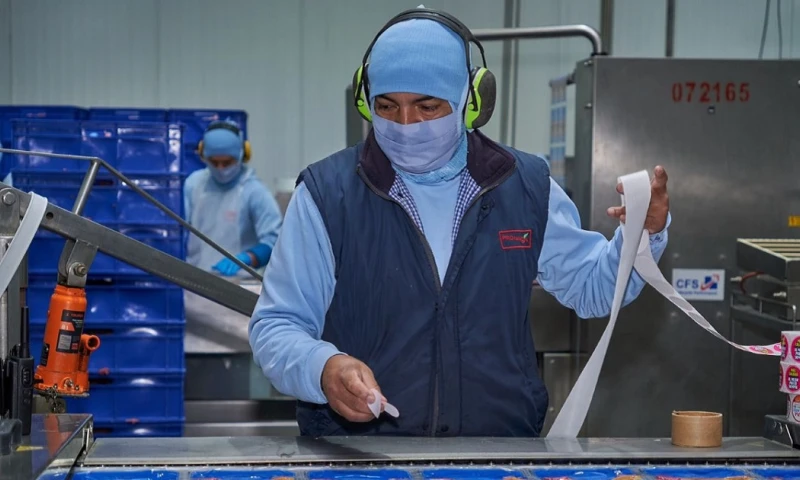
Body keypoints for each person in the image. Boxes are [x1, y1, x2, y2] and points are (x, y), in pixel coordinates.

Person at [249, 7, 671, 437]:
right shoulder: (327, 195)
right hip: (364, 459)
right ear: (365, 100)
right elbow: (276, 326)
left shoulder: (524, 186)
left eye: (427, 106)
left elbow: (594, 288)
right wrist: (322, 368)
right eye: (387, 106)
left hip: (496, 456)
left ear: (470, 102)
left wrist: (641, 234)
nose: (406, 124)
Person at [184, 119, 282, 276]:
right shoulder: (194, 185)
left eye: (227, 162)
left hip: (239, 287)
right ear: (203, 155)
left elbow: (275, 241)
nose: (221, 169)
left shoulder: (255, 192)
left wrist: (246, 259)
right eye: (214, 162)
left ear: (243, 155)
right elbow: (180, 231)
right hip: (195, 282)